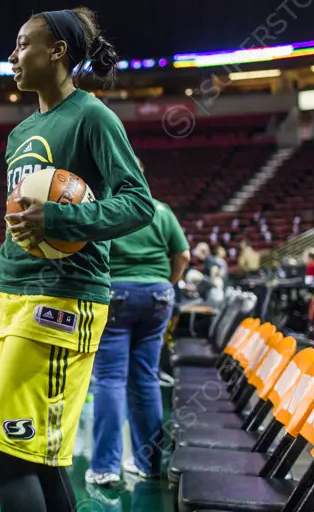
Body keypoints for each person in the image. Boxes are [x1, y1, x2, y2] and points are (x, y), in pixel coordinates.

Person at [0, 7, 156, 512]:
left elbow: (138, 201)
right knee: (38, 458)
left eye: (23, 44)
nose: (12, 56)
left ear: (57, 52)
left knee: (6, 453)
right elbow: (15, 236)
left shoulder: (93, 116)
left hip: (62, 301)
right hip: (16, 298)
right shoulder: (18, 136)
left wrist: (58, 219)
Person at [87, 159, 189, 486]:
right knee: (145, 379)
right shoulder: (160, 209)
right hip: (157, 296)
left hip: (115, 295)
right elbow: (183, 255)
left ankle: (104, 467)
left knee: (109, 380)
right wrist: (167, 284)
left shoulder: (106, 209)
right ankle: (149, 464)